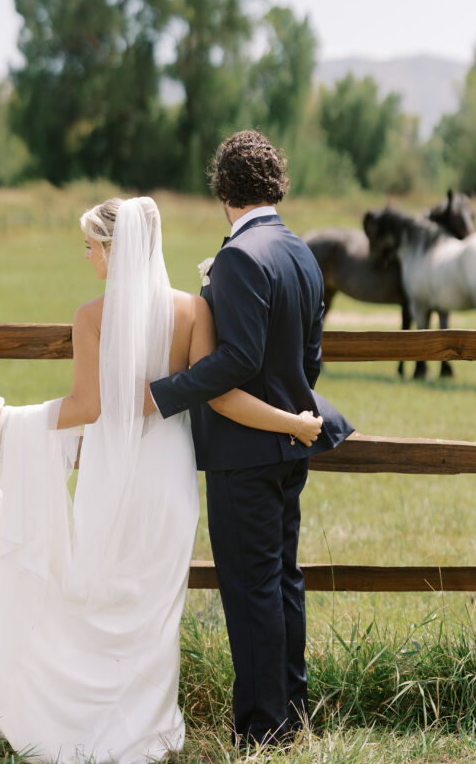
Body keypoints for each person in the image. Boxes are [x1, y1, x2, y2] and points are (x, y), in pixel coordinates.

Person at [0, 196, 323, 764]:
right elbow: (219, 392)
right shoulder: (193, 312)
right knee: (154, 603)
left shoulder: (93, 315)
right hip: (171, 479)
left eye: (90, 246)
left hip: (115, 475)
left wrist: (4, 422)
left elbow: (87, 405)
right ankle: (148, 726)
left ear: (113, 249)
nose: (87, 257)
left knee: (103, 589)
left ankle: (88, 713)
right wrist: (291, 422)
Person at [147, 130, 354, 750]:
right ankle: (291, 715)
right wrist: (291, 411)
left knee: (251, 589)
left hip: (244, 451)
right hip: (293, 442)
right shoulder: (300, 251)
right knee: (283, 580)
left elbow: (237, 359)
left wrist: (165, 393)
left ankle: (264, 731)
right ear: (274, 185)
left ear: (222, 189)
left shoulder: (239, 257)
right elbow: (310, 357)